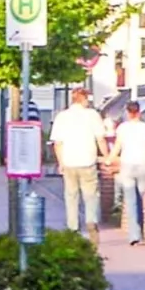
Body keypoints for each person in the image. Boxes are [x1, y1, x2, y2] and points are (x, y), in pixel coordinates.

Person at [50, 87, 109, 243]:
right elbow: (100, 139)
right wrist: (107, 156)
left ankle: (73, 228)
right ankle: (91, 221)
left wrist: (60, 162)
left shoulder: (62, 117)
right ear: (83, 99)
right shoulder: (92, 115)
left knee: (71, 196)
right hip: (87, 161)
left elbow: (57, 143)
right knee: (90, 195)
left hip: (69, 161)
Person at [110, 102, 145, 244]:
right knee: (140, 199)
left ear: (128, 113)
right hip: (142, 164)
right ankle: (140, 231)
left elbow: (117, 146)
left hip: (127, 165)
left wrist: (109, 159)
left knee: (130, 201)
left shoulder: (122, 128)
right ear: (139, 112)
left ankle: (134, 235)